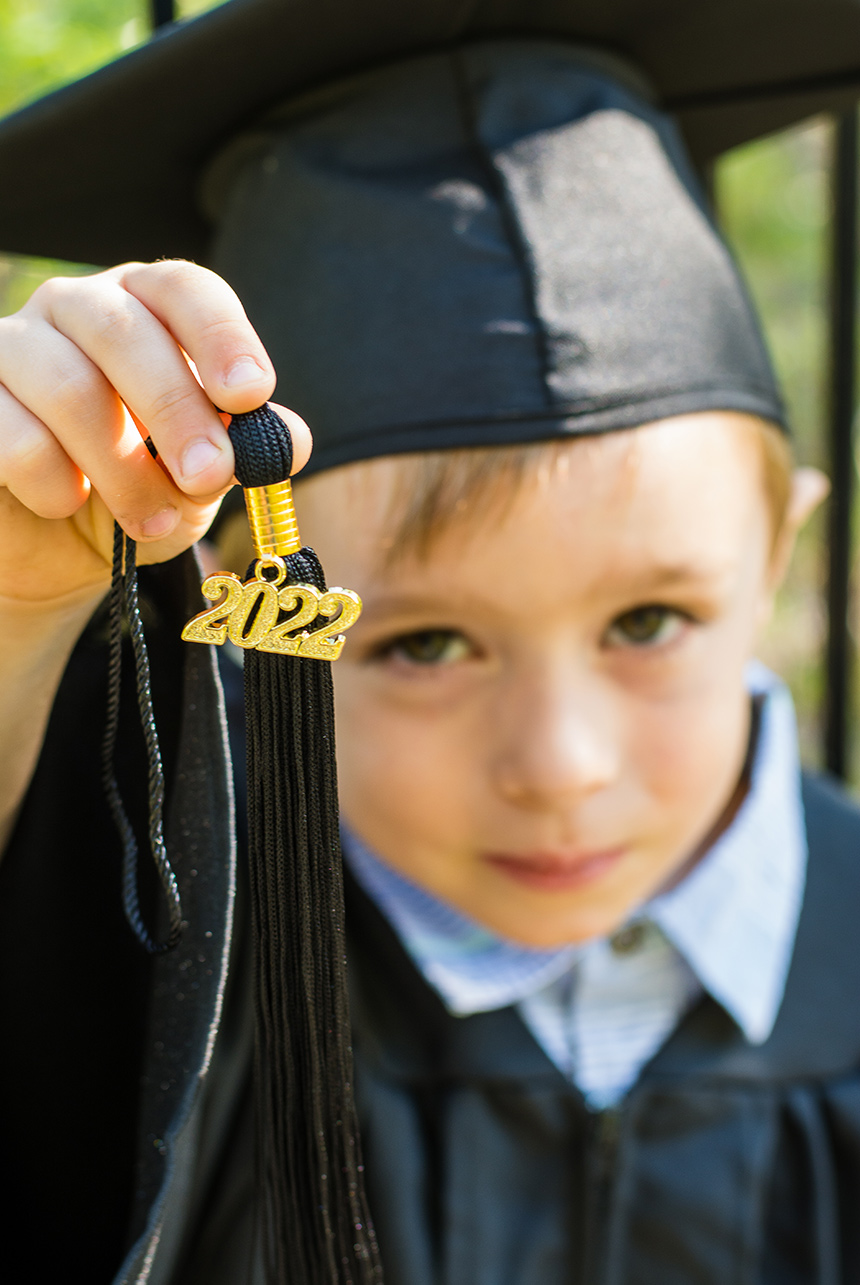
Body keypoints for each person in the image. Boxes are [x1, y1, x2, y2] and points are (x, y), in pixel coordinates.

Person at [0, 6, 859, 1285]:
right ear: (245, 608)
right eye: (424, 644)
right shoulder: (161, 956)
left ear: (777, 555)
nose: (559, 767)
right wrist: (17, 619)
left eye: (646, 621)